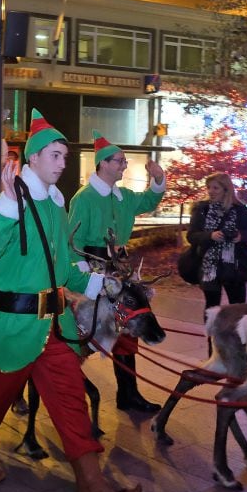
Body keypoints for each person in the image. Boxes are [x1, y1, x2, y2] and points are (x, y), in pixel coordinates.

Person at [0, 109, 141, 492]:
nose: (62, 163)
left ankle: (91, 481)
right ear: (33, 160)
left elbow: (62, 268)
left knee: (70, 396)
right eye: (54, 156)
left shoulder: (55, 204)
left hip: (55, 324)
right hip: (14, 324)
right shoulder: (15, 199)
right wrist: (6, 206)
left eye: (64, 156)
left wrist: (100, 284)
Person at [68, 130, 166, 413]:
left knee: (129, 328)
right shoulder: (83, 199)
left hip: (120, 270)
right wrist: (85, 275)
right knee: (90, 331)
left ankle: (128, 393)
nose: (124, 165)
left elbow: (149, 200)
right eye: (120, 161)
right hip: (96, 271)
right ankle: (70, 387)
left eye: (124, 161)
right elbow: (72, 240)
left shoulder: (123, 196)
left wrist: (158, 179)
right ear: (103, 164)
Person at [187, 173, 247, 316]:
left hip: (234, 266)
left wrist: (240, 237)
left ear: (226, 190)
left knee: (238, 307)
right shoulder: (201, 210)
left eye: (215, 188)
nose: (210, 191)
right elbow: (191, 236)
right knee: (211, 307)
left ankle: (237, 336)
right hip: (209, 266)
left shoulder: (240, 210)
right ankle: (211, 337)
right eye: (209, 187)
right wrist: (210, 236)